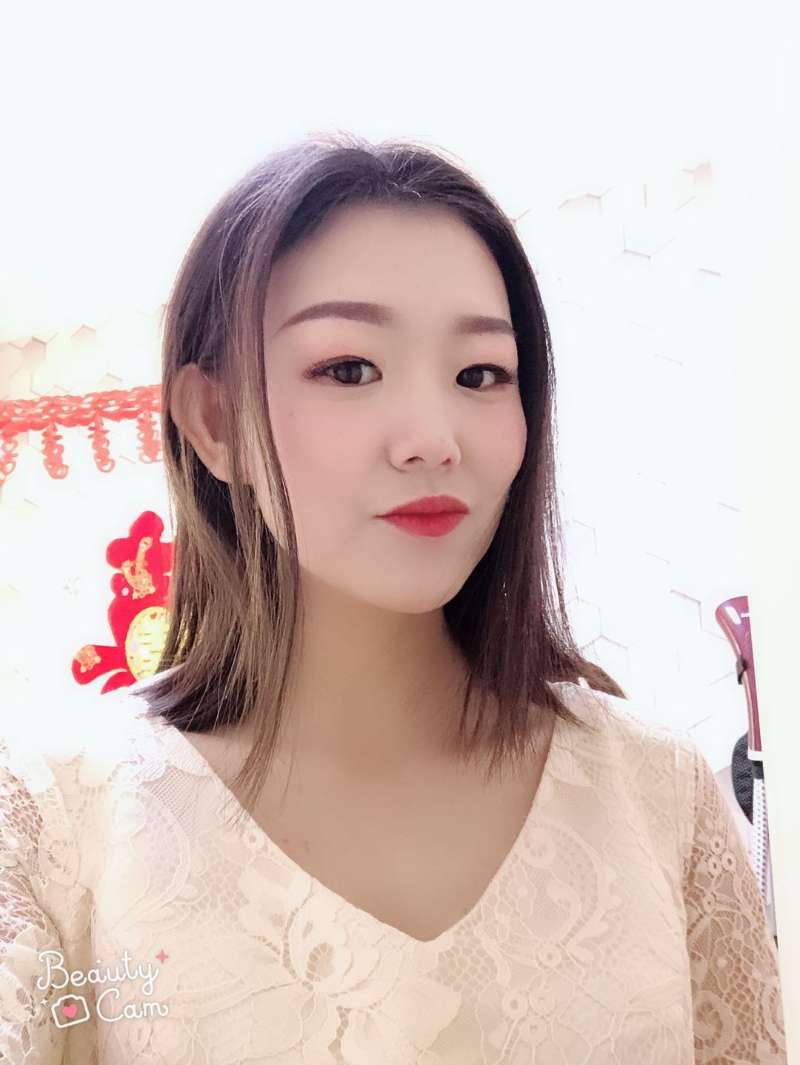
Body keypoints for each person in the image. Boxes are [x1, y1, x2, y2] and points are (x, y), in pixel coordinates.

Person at [0, 132, 786, 1063]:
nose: (432, 437)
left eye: (480, 374)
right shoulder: (57, 824)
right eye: (349, 368)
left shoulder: (661, 794)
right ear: (215, 422)